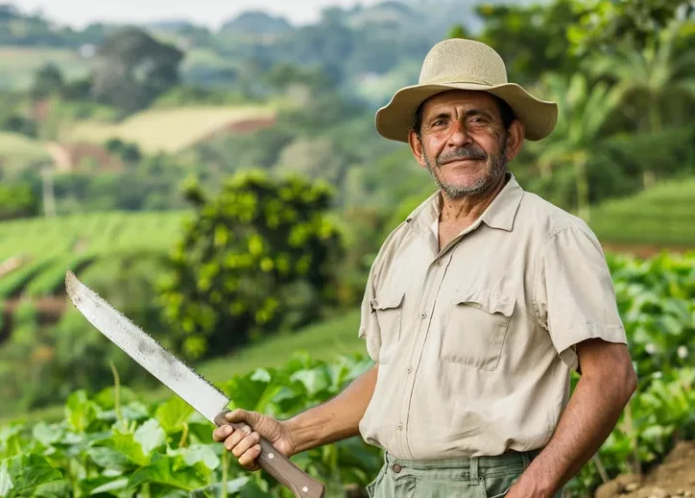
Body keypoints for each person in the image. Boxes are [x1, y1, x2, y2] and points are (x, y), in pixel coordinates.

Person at [212, 38, 637, 498]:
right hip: (393, 484)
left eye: (477, 119)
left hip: (492, 486)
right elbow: (396, 373)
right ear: (419, 146)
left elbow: (611, 375)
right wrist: (292, 434)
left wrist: (532, 489)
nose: (458, 137)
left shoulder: (551, 237)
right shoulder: (402, 244)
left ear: (510, 138)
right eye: (440, 123)